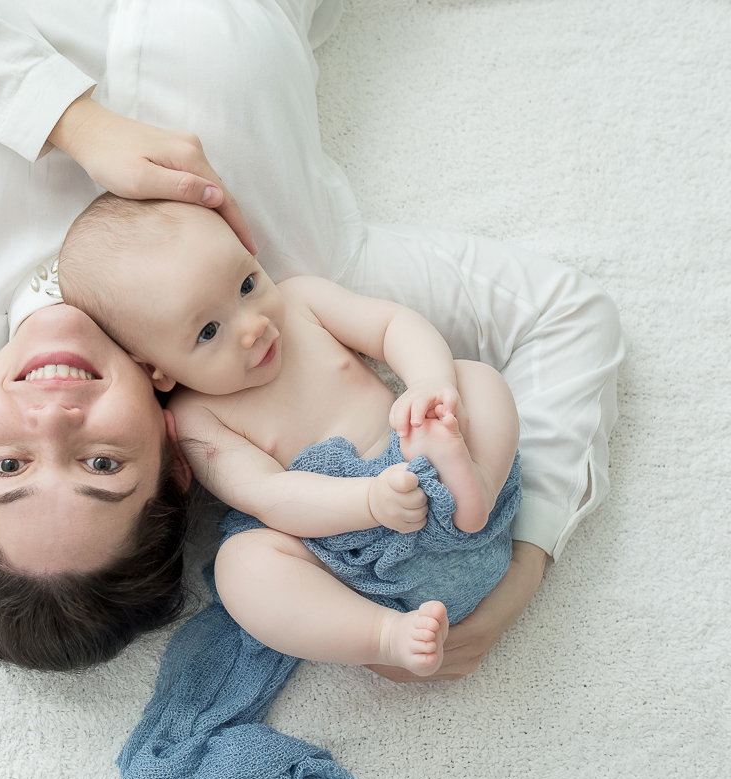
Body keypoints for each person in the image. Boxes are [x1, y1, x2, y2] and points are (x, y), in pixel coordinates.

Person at [0, 0, 623, 682]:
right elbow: (565, 318)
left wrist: (70, 119)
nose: (53, 421)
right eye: (102, 466)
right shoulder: (286, 298)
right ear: (174, 458)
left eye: (9, 469)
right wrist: (524, 559)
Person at [58, 194, 523, 676]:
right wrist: (367, 502)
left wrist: (429, 384)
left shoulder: (302, 302)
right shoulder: (198, 420)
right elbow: (268, 495)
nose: (253, 327)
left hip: (436, 467)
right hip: (357, 557)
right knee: (242, 564)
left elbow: (391, 325)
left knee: (473, 377)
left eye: (246, 284)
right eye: (209, 330)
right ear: (158, 370)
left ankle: (477, 488)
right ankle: (382, 635)